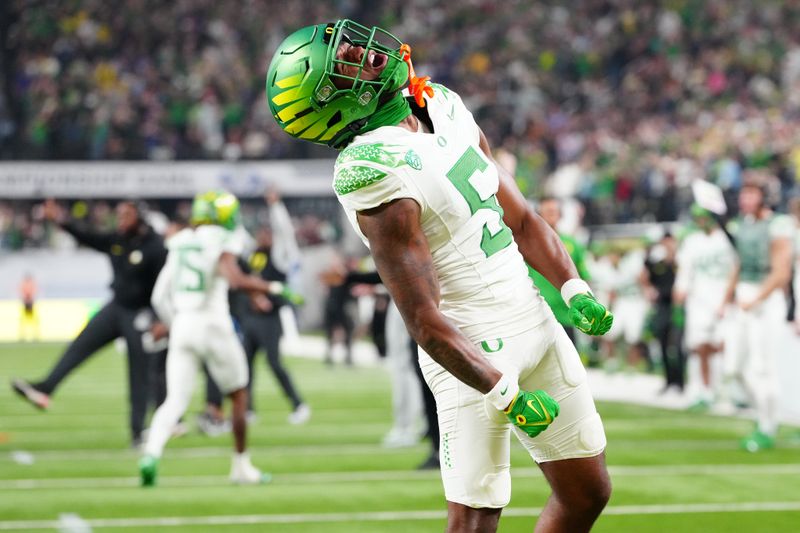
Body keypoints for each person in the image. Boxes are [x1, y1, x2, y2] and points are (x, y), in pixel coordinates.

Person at [267, 20, 614, 532]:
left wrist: (571, 285)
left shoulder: (441, 104)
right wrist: (505, 394)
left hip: (535, 320)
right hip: (472, 345)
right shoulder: (373, 166)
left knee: (588, 493)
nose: (366, 54)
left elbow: (519, 217)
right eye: (346, 63)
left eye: (352, 46)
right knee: (475, 521)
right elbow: (424, 319)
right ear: (338, 102)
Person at [140, 190, 272, 486]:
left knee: (175, 400)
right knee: (238, 394)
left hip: (184, 322)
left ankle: (151, 453)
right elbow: (234, 278)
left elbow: (159, 295)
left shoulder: (181, 241)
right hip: (213, 321)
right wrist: (267, 288)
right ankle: (241, 466)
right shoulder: (225, 238)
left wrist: (174, 323)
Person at [11, 200, 167, 447]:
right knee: (80, 345)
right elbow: (88, 236)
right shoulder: (117, 239)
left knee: (139, 374)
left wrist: (160, 319)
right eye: (119, 214)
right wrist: (61, 220)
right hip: (117, 306)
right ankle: (46, 387)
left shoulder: (156, 247)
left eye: (126, 215)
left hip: (141, 314)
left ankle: (139, 432)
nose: (121, 219)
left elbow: (165, 286)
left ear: (140, 217)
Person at [204, 195, 310, 427]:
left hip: (270, 320)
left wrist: (275, 206)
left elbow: (285, 233)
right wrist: (229, 213)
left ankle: (298, 404)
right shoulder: (253, 255)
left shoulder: (279, 257)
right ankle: (249, 409)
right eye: (261, 233)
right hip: (251, 319)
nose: (264, 236)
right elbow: (239, 233)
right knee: (245, 366)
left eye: (267, 233)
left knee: (274, 363)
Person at [723, 176, 794, 452]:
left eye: (751, 193)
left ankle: (767, 427)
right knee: (736, 368)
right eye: (744, 193)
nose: (744, 199)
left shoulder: (778, 225)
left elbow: (781, 271)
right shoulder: (745, 224)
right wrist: (727, 297)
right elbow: (739, 264)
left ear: (765, 196)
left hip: (766, 299)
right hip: (745, 297)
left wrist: (756, 298)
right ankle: (763, 415)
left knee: (763, 367)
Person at [673, 205, 736, 411]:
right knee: (701, 347)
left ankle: (726, 390)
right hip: (698, 301)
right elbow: (685, 269)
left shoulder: (727, 238)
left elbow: (737, 268)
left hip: (723, 299)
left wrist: (729, 297)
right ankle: (706, 390)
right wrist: (680, 289)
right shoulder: (692, 241)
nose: (699, 221)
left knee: (724, 346)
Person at [528, 197, 592, 342]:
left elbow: (583, 278)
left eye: (554, 211)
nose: (551, 214)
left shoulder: (572, 244)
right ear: (539, 214)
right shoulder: (529, 245)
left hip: (566, 315)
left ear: (560, 215)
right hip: (537, 315)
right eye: (547, 211)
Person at [642, 233, 685, 394]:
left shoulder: (679, 260)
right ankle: (668, 381)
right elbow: (646, 274)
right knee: (663, 344)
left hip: (677, 307)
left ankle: (680, 382)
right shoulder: (657, 262)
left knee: (678, 346)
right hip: (662, 307)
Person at [18, 273, 39, 341]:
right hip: (26, 302)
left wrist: (30, 299)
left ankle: (34, 335)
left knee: (33, 320)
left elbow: (33, 292)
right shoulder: (26, 284)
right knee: (24, 320)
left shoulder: (30, 284)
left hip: (29, 302)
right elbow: (23, 292)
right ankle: (23, 335)